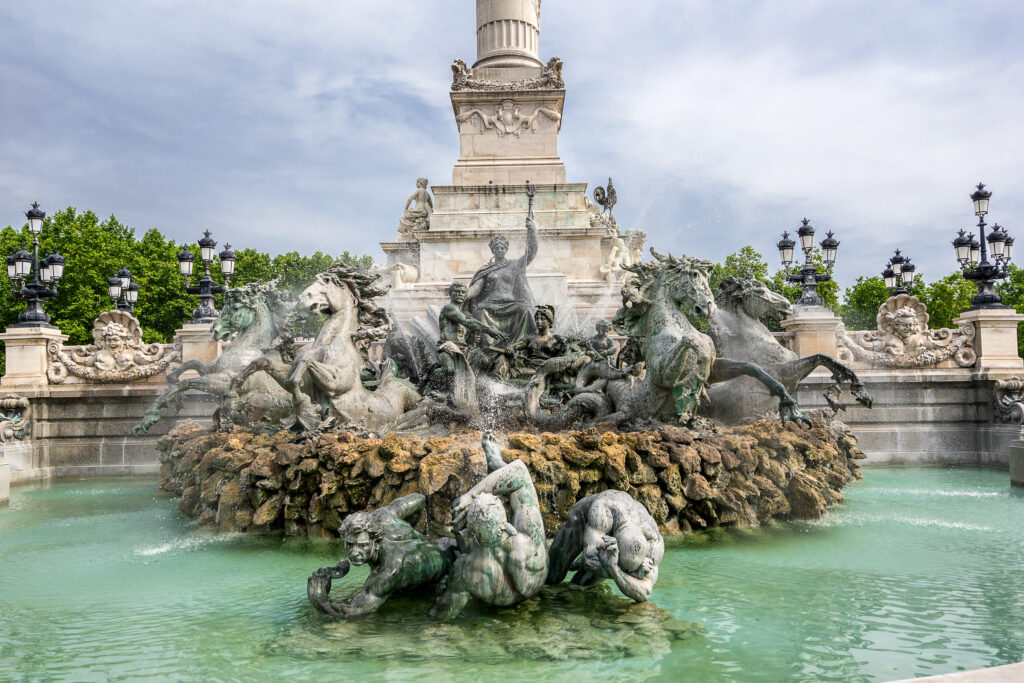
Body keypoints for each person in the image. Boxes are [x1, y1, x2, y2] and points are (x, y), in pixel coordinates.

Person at [430, 432, 548, 619]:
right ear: (505, 524)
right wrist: (470, 495)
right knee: (524, 498)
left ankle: (491, 476)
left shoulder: (466, 568)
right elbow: (520, 470)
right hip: (535, 584)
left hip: (495, 593)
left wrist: (445, 588)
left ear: (472, 531)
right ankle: (497, 467)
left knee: (458, 508)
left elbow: (441, 615)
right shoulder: (529, 541)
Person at [306, 494, 454, 617]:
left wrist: (320, 599)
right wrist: (414, 537)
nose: (355, 553)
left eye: (363, 545)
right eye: (350, 545)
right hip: (439, 544)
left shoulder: (389, 570)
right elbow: (419, 499)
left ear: (376, 542)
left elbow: (353, 611)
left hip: (452, 562)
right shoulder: (383, 517)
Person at [463, 185, 540, 374]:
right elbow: (476, 289)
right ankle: (489, 350)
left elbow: (531, 252)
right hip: (490, 305)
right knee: (480, 311)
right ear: (492, 250)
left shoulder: (514, 265)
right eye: (496, 247)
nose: (499, 250)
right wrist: (464, 293)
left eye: (502, 247)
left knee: (524, 310)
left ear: (506, 250)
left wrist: (533, 231)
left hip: (511, 304)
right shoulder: (486, 269)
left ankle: (520, 348)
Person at [545, 490, 664, 603]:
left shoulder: (655, 542)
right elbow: (589, 559)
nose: (628, 572)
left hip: (608, 542)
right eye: (624, 567)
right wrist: (632, 574)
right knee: (552, 576)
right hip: (582, 517)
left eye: (630, 570)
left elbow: (645, 593)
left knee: (580, 586)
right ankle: (574, 565)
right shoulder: (603, 509)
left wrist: (614, 569)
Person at [433, 282, 505, 411]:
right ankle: (431, 387)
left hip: (464, 349)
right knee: (450, 370)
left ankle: (475, 389)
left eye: (462, 292)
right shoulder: (448, 308)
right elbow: (467, 322)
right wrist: (490, 331)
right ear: (450, 293)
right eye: (456, 291)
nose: (460, 294)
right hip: (448, 348)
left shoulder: (462, 313)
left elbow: (468, 327)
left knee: (485, 361)